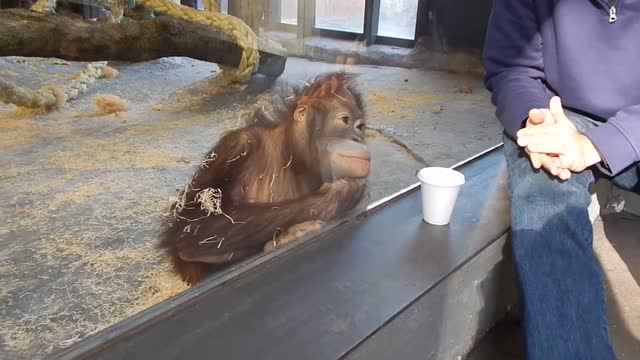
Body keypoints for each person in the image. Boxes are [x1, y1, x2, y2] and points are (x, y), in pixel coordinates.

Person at [482, 1, 640, 359]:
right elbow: (512, 68)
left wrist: (602, 144)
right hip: (562, 115)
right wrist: (534, 120)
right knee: (542, 185)